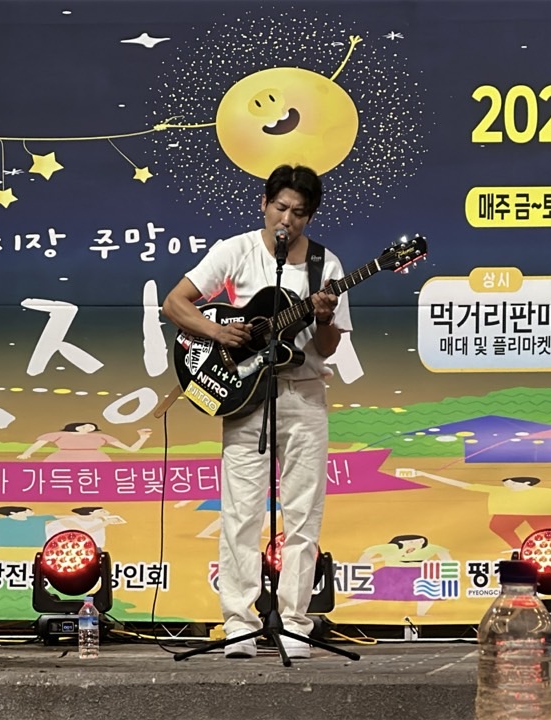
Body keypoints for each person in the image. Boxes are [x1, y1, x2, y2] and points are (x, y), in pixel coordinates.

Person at [162, 164, 348, 660]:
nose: (288, 219)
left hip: (304, 397)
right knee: (240, 513)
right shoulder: (235, 250)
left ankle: (294, 624)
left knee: (303, 514)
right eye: (280, 207)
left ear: (310, 216)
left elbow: (326, 348)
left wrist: (324, 318)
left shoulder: (326, 265)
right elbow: (175, 303)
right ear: (264, 204)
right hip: (246, 397)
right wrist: (218, 332)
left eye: (299, 213)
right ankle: (239, 623)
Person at [403, 470, 551, 549]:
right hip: (511, 514)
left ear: (527, 483)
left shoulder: (550, 493)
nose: (508, 486)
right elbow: (463, 485)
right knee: (498, 525)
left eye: (512, 483)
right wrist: (425, 474)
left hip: (543, 515)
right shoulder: (499, 491)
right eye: (506, 483)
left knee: (550, 537)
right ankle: (518, 549)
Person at [335, 534, 453, 617]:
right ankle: (337, 608)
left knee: (426, 595)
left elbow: (446, 558)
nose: (416, 544)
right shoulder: (390, 549)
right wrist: (376, 559)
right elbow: (366, 557)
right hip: (391, 572)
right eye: (411, 542)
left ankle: (421, 614)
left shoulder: (430, 549)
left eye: (420, 541)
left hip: (418, 573)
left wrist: (442, 572)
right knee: (369, 595)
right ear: (400, 543)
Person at [17, 422, 151, 461]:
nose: (88, 428)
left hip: (96, 460)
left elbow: (132, 449)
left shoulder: (101, 437)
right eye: (85, 426)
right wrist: (26, 454)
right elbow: (39, 444)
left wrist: (143, 438)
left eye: (92, 427)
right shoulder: (59, 435)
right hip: (62, 459)